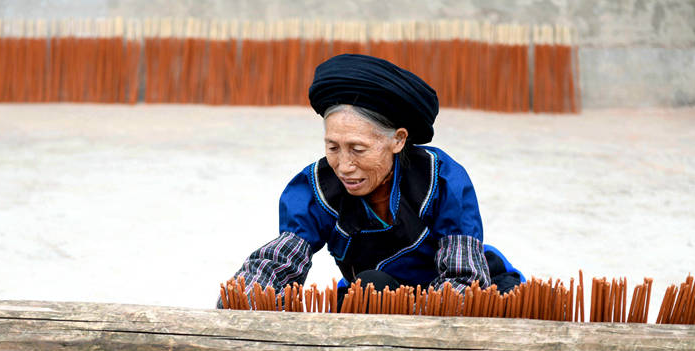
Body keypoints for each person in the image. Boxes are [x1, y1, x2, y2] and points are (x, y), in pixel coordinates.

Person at [221, 53, 522, 316]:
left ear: (398, 140)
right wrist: (241, 303)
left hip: (451, 298)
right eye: (333, 147)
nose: (344, 166)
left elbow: (464, 278)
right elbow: (280, 260)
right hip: (372, 297)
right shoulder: (317, 187)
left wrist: (409, 321)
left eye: (358, 149)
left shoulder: (439, 178)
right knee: (369, 287)